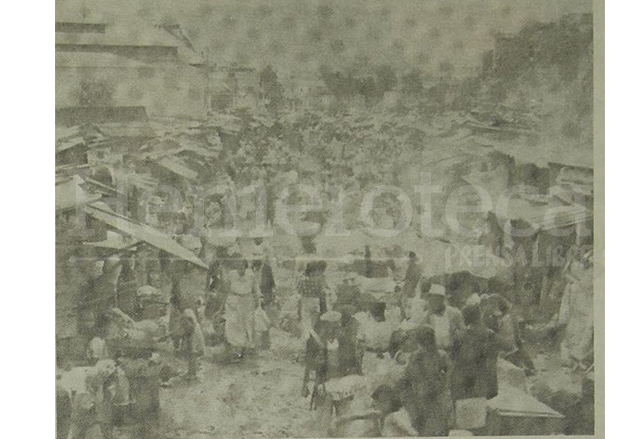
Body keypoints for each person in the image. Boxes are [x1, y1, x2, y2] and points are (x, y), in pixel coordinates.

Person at [398, 325, 451, 436]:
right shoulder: (415, 357)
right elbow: (406, 380)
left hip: (436, 399)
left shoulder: (441, 356)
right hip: (421, 400)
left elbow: (449, 376)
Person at [450, 304, 500, 402]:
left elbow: (454, 363)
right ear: (480, 316)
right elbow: (491, 364)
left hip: (461, 384)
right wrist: (493, 387)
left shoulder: (460, 337)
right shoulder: (492, 336)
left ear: (464, 318)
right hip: (481, 384)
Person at [223, 254, 259, 360]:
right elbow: (226, 289)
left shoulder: (251, 275)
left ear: (245, 267)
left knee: (246, 324)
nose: (240, 269)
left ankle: (243, 348)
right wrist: (223, 304)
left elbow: (255, 289)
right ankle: (235, 348)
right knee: (233, 323)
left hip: (247, 302)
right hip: (234, 300)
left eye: (242, 267)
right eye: (238, 267)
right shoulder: (231, 274)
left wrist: (258, 300)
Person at [423, 284, 464, 353]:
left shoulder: (454, 313)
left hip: (452, 351)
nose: (432, 302)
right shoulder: (426, 316)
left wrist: (456, 333)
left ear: (442, 299)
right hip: (435, 354)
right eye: (431, 300)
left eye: (436, 299)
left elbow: (462, 331)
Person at [298, 261, 328, 343]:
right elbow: (322, 291)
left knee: (306, 322)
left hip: (305, 300)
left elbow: (299, 290)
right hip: (315, 301)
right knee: (312, 323)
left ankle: (311, 338)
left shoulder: (302, 280)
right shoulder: (318, 280)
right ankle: (312, 339)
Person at [337, 305, 366, 376]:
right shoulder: (340, 321)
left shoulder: (355, 322)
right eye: (343, 313)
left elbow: (358, 330)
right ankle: (343, 370)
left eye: (346, 313)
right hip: (343, 342)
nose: (344, 315)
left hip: (351, 342)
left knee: (353, 355)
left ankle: (356, 369)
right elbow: (338, 332)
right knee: (343, 355)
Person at [183, 309, 205, 380]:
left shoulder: (195, 328)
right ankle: (190, 372)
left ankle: (193, 373)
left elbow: (196, 338)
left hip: (195, 343)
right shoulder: (188, 324)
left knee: (193, 357)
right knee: (191, 357)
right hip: (192, 342)